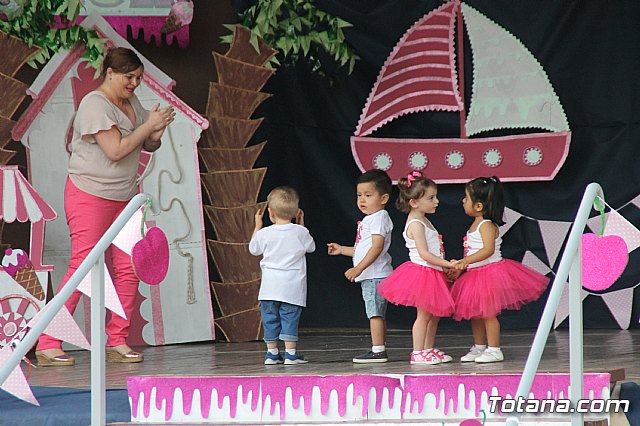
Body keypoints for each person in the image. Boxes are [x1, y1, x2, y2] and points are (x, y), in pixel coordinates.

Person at [35, 47, 175, 366]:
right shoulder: (94, 104)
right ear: (109, 72)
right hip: (90, 194)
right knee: (83, 266)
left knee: (129, 267)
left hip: (124, 198)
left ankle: (117, 339)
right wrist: (147, 126)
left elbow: (146, 144)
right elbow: (115, 150)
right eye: (129, 77)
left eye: (138, 78)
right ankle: (46, 342)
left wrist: (157, 129)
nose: (135, 84)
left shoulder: (131, 103)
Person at [450, 176, 549, 363]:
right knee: (476, 314)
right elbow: (473, 251)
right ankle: (479, 347)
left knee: (488, 314)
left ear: (478, 206)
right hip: (474, 275)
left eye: (466, 197)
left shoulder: (486, 225)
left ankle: (494, 349)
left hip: (489, 274)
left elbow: (488, 250)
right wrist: (462, 267)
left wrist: (464, 261)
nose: (463, 201)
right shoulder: (475, 224)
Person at [378, 171, 456, 365]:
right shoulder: (415, 224)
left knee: (434, 315)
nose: (436, 201)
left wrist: (444, 267)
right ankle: (418, 352)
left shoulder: (423, 219)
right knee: (423, 315)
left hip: (433, 272)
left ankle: (428, 348)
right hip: (423, 273)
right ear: (414, 202)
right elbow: (424, 254)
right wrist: (447, 264)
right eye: (431, 198)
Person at [327, 169, 393, 363]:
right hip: (371, 273)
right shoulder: (370, 219)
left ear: (383, 198)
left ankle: (378, 350)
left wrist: (359, 269)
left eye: (368, 195)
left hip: (374, 274)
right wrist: (342, 250)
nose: (362, 200)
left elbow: (377, 247)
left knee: (374, 314)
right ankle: (378, 347)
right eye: (359, 195)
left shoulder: (379, 217)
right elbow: (362, 249)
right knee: (376, 313)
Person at [249, 186, 315, 365]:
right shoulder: (301, 232)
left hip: (269, 289)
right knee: (289, 319)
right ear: (296, 212)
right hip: (292, 288)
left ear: (270, 212)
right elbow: (311, 247)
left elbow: (253, 249)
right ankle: (291, 354)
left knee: (270, 319)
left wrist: (257, 227)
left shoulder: (264, 233)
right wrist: (301, 225)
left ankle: (271, 354)